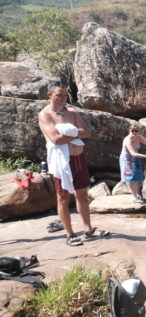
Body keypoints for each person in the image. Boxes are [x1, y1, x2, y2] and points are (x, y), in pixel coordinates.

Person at [37, 81, 109, 246]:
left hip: (78, 158)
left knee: (82, 193)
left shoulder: (72, 111)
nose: (63, 98)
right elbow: (55, 139)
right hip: (61, 161)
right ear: (50, 95)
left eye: (65, 95)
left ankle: (88, 230)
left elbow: (88, 133)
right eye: (59, 95)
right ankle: (69, 234)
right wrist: (76, 133)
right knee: (62, 196)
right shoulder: (45, 114)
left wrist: (68, 133)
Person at [119, 123, 146, 202]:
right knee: (132, 178)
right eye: (133, 131)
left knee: (137, 177)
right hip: (127, 159)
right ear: (129, 131)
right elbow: (133, 153)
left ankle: (137, 195)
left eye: (136, 131)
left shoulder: (140, 138)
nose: (134, 132)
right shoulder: (127, 140)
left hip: (136, 158)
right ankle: (135, 197)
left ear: (138, 131)